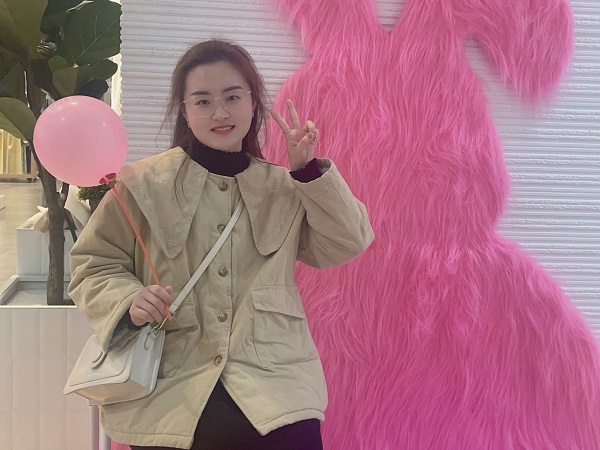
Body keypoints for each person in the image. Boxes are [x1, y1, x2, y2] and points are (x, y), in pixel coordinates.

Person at [69, 39, 374, 450]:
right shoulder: (142, 184)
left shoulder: (284, 187)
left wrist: (307, 172)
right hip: (170, 383)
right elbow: (93, 263)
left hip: (276, 383)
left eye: (232, 97)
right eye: (203, 101)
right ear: (185, 111)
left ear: (253, 102)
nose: (220, 113)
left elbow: (348, 242)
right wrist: (128, 300)